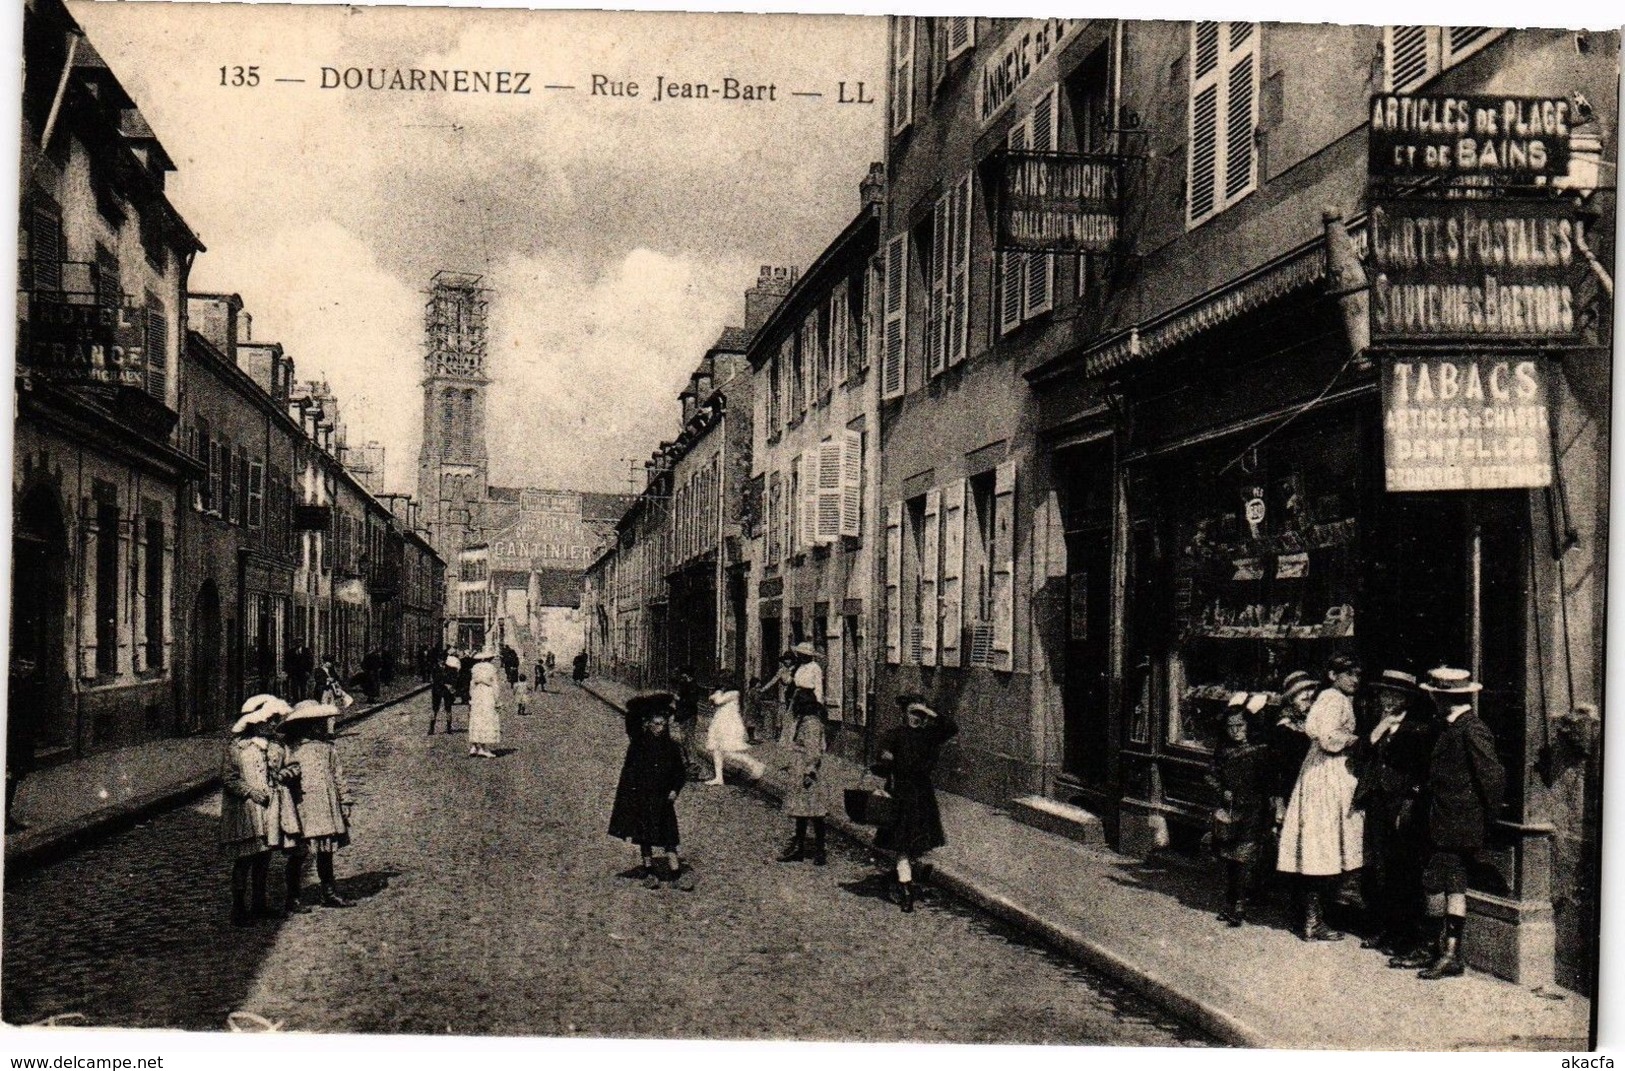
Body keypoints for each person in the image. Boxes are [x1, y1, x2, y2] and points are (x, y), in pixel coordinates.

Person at [1390, 667, 1506, 980]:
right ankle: (1446, 952)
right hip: (1441, 820)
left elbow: (1492, 777)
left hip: (1457, 824)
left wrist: (1483, 822)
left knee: (1434, 882)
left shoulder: (1471, 729)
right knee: (1451, 883)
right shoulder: (1447, 726)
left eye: (1436, 695)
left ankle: (1439, 950)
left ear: (1444, 698)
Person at [1276, 655, 1365, 941]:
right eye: (1349, 674)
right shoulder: (1332, 698)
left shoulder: (1334, 698)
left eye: (1357, 674)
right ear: (1332, 675)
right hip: (1327, 773)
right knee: (1322, 846)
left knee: (1326, 845)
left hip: (1328, 772)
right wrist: (1355, 740)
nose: (1355, 680)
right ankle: (1314, 921)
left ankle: (1317, 916)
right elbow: (1327, 739)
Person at [1357, 669, 1435, 957]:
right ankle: (1383, 927)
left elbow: (1423, 771)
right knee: (1377, 866)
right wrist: (1378, 728)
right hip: (1377, 802)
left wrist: (1410, 799)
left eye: (1394, 695)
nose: (1387, 700)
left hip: (1402, 805)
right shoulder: (1377, 724)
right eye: (1384, 694)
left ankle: (1404, 933)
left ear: (1407, 699)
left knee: (1402, 869)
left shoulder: (1418, 729)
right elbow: (1360, 755)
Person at [871, 694, 959, 913]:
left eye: (920, 714)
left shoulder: (930, 735)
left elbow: (951, 727)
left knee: (914, 844)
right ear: (904, 713)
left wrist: (930, 712)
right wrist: (884, 758)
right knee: (902, 844)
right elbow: (879, 760)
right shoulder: (894, 735)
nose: (916, 718)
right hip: (900, 793)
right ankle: (906, 890)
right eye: (913, 712)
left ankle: (906, 877)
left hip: (922, 795)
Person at [608, 692, 695, 891]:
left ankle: (676, 873)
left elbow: (679, 772)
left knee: (670, 835)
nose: (660, 728)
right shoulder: (638, 745)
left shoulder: (672, 747)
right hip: (643, 796)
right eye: (656, 724)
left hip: (664, 797)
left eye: (663, 724)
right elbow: (631, 721)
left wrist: (674, 790)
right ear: (648, 724)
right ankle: (649, 870)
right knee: (644, 834)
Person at [220, 694, 290, 925]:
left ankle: (259, 904)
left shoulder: (274, 746)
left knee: (263, 858)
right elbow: (229, 779)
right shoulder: (237, 747)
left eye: (275, 720)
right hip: (244, 811)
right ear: (255, 722)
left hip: (267, 810)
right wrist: (250, 791)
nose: (273, 725)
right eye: (269, 720)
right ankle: (238, 909)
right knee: (243, 860)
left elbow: (279, 770)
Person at [281, 700, 355, 908]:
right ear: (307, 725)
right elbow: (281, 774)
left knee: (325, 851)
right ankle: (293, 897)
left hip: (326, 806)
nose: (323, 727)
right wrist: (286, 775)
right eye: (319, 723)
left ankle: (328, 892)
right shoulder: (291, 749)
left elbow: (338, 775)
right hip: (303, 807)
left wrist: (345, 799)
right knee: (300, 853)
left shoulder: (327, 749)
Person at [1207, 703, 1274, 927]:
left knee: (1244, 857)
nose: (1236, 730)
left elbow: (1270, 781)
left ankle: (1240, 905)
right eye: (1231, 726)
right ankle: (1232, 901)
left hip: (1254, 811)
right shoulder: (1222, 750)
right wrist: (1221, 789)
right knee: (1229, 858)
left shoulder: (1260, 749)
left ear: (1248, 726)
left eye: (1240, 725)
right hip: (1230, 811)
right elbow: (1210, 775)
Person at [777, 643, 829, 866]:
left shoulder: (811, 723)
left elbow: (814, 750)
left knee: (814, 811)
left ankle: (818, 850)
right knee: (801, 809)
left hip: (808, 769)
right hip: (800, 766)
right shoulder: (804, 721)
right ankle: (801, 847)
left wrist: (809, 770)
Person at [703, 680, 764, 785]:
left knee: (728, 752)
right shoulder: (725, 693)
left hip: (730, 725)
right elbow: (713, 702)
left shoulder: (734, 693)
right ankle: (719, 777)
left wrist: (716, 694)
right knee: (716, 750)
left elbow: (718, 701)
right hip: (720, 723)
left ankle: (755, 764)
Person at [467, 648, 503, 758]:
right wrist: (497, 700)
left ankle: (474, 746)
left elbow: (472, 683)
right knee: (486, 718)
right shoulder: (491, 668)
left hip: (477, 693)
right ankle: (483, 748)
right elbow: (495, 685)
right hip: (487, 693)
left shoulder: (475, 668)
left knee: (476, 717)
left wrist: (471, 697)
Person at [671, 666, 705, 778]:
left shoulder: (693, 686)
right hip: (683, 715)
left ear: (687, 675)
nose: (681, 676)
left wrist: (679, 699)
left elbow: (692, 701)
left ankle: (694, 766)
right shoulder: (683, 684)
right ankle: (688, 765)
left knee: (688, 739)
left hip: (689, 715)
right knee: (684, 739)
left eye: (683, 674)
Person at [757, 651, 797, 745]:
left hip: (794, 696)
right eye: (786, 660)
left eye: (789, 659)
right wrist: (763, 689)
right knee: (781, 716)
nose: (787, 661)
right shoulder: (781, 670)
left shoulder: (795, 670)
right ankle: (779, 735)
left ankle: (792, 737)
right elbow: (773, 681)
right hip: (783, 696)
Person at [430, 652, 459, 734]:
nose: (442, 662)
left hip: (446, 691)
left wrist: (452, 686)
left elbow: (453, 679)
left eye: (443, 660)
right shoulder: (434, 669)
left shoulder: (450, 669)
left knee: (448, 708)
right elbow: (435, 680)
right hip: (437, 690)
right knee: (435, 709)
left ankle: (449, 728)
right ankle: (431, 728)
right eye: (440, 660)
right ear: (438, 660)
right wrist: (446, 684)